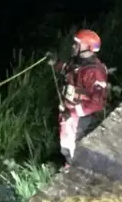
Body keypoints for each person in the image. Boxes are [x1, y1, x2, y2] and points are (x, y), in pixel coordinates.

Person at [46, 29, 109, 171]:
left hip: (79, 117)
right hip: (68, 113)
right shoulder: (79, 63)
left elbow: (96, 103)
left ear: (87, 47)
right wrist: (55, 62)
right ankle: (68, 166)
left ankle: (76, 173)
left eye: (76, 44)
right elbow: (67, 70)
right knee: (66, 144)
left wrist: (73, 112)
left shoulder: (95, 72)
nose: (73, 47)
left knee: (75, 146)